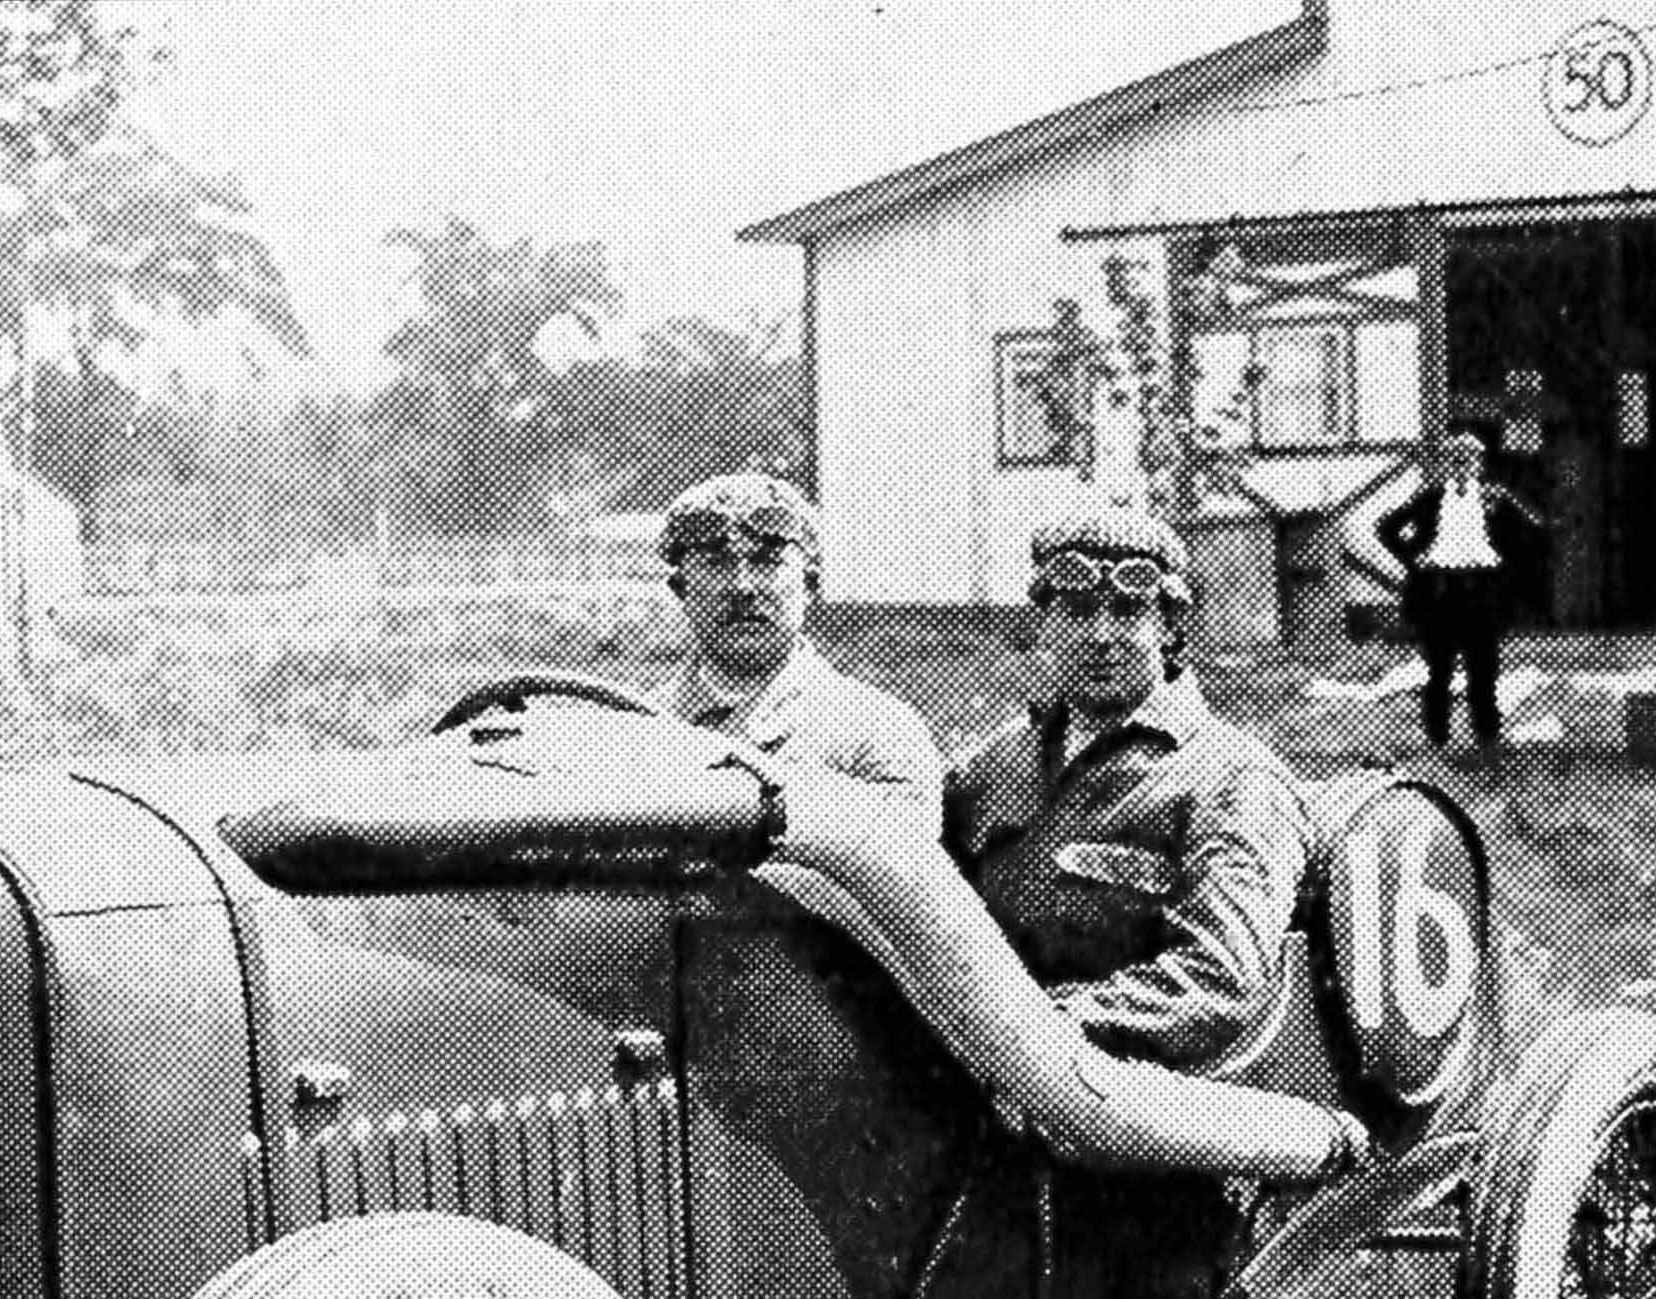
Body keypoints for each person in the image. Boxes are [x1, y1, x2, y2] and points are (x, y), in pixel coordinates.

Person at [944, 507, 1312, 1076]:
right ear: (1043, 623)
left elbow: (1222, 976)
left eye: (1128, 611)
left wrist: (1042, 1030)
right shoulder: (990, 767)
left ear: (1169, 627)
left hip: (1145, 1119)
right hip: (975, 1099)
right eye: (1078, 611)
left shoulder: (1232, 780)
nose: (1101, 635)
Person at [655, 470, 942, 814]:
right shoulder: (636, 732)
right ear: (681, 589)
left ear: (809, 585)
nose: (743, 586)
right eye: (716, 563)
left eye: (767, 561)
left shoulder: (878, 732)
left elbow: (904, 861)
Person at [1377, 429, 1545, 759]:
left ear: (1479, 464)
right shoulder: (1431, 498)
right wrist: (1415, 557)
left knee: (1483, 671)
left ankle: (1488, 739)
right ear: (1446, 464)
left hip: (1481, 591)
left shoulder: (1495, 498)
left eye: (1468, 460)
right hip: (1441, 592)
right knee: (1439, 671)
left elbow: (1532, 533)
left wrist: (1506, 566)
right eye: (1455, 460)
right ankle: (1437, 740)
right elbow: (1387, 528)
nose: (1462, 465)